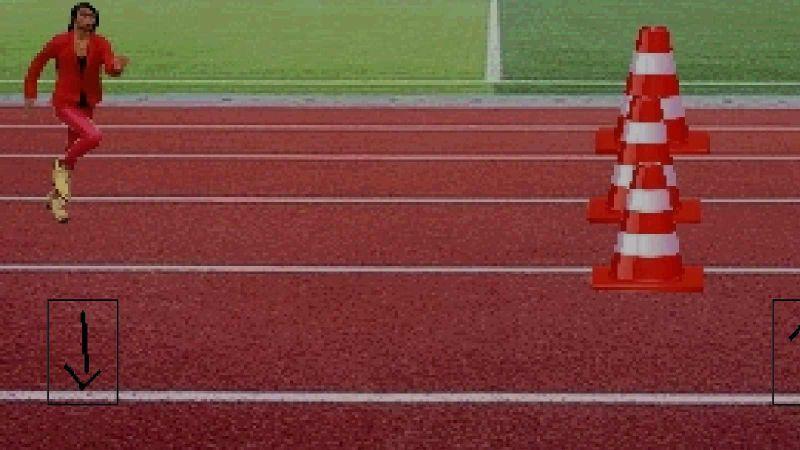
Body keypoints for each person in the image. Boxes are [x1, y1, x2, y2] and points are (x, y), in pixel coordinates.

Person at [24, 2, 129, 223]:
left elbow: (110, 67)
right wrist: (30, 92)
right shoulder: (60, 41)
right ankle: (60, 162)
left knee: (73, 151)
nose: (88, 19)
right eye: (84, 15)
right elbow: (36, 65)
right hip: (65, 102)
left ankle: (57, 201)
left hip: (87, 103)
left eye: (92, 16)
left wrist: (117, 68)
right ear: (74, 18)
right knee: (93, 136)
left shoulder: (101, 43)